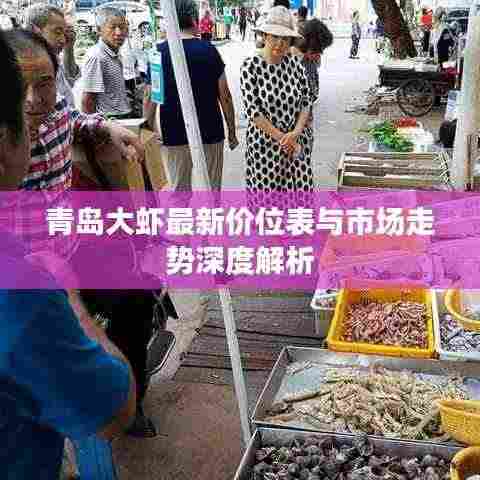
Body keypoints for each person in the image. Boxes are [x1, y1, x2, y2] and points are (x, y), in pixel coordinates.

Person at [0, 30, 137, 478]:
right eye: (20, 87)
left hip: (68, 254)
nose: (33, 100)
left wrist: (106, 127)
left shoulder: (58, 113)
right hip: (42, 275)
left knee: (135, 290)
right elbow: (112, 414)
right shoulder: (20, 292)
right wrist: (71, 302)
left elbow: (77, 120)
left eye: (43, 83)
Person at [143, 0, 238, 199]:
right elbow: (225, 96)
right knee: (211, 193)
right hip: (210, 131)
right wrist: (231, 131)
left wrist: (150, 130)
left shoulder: (158, 53)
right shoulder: (208, 50)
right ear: (194, 19)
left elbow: (150, 97)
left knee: (179, 193)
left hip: (174, 133)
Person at [240, 6, 314, 203]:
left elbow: (306, 102)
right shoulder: (251, 66)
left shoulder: (295, 64)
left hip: (296, 142)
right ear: (264, 36)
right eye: (275, 36)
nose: (280, 43)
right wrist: (283, 139)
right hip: (265, 147)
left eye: (285, 39)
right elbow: (253, 112)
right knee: (268, 203)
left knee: (299, 199)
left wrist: (295, 134)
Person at [24, 3, 80, 108]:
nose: (63, 40)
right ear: (34, 31)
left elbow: (70, 79)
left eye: (65, 34)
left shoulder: (51, 59)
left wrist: (69, 48)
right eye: (57, 32)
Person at [82, 7, 131, 118]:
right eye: (113, 27)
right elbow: (87, 101)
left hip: (121, 117)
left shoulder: (114, 53)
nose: (118, 33)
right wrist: (93, 125)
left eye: (122, 27)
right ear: (99, 30)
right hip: (109, 120)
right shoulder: (97, 56)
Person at [294, 18, 333, 106]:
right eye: (316, 51)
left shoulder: (311, 60)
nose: (319, 55)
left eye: (321, 50)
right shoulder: (292, 59)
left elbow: (313, 91)